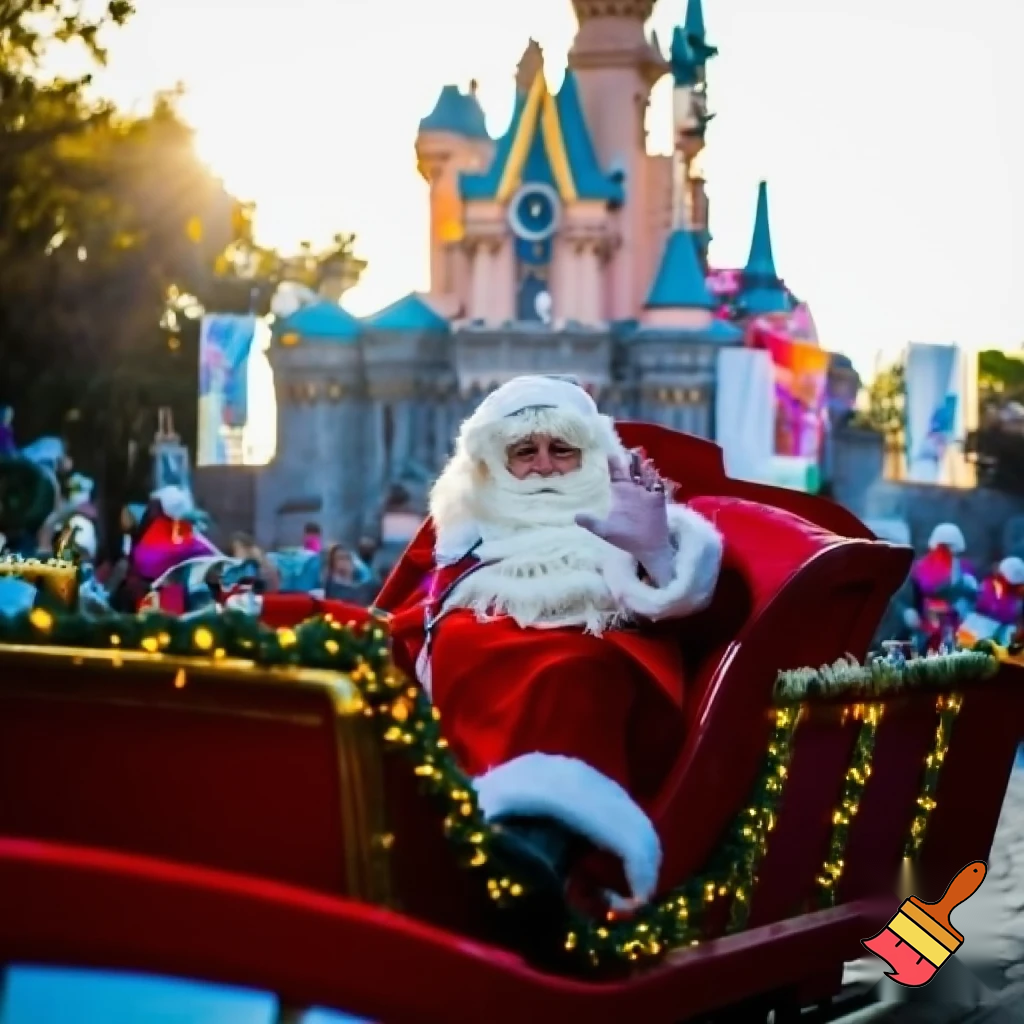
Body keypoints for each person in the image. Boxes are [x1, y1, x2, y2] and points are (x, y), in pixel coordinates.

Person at [379, 375, 722, 909]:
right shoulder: (465, 529)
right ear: (499, 459)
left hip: (593, 662)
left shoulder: (627, 510)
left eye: (561, 449)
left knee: (570, 673)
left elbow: (687, 608)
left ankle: (536, 859)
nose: (542, 466)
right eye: (525, 451)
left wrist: (654, 552)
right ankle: (469, 838)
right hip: (478, 678)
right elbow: (408, 609)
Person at [902, 523, 977, 652]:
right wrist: (907, 612)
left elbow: (973, 597)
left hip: (957, 630)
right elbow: (906, 598)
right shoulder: (919, 568)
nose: (945, 552)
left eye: (949, 548)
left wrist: (962, 608)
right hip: (926, 631)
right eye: (942, 547)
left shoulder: (964, 570)